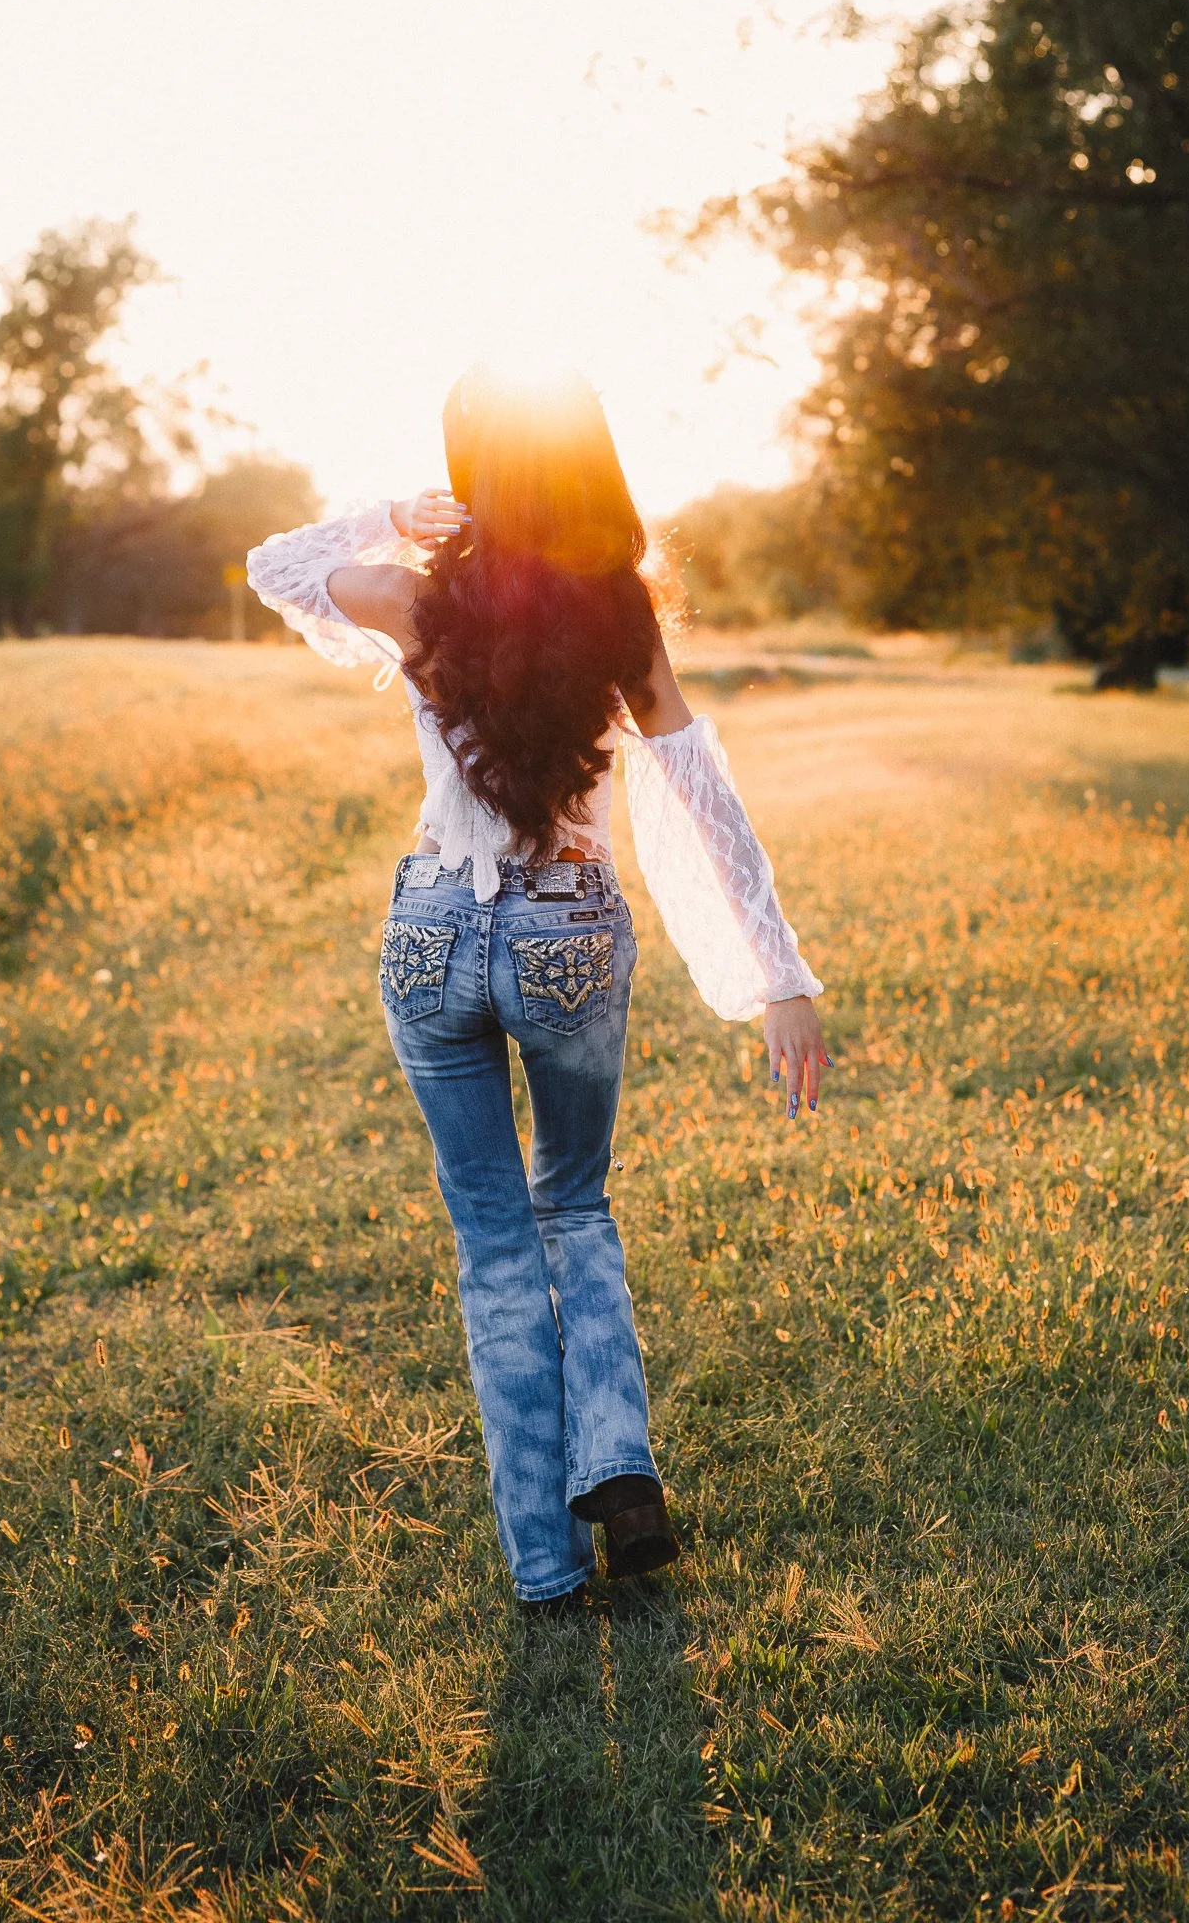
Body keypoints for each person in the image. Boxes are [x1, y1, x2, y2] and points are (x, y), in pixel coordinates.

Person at [247, 365, 829, 1614]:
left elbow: (276, 563)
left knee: (494, 1242)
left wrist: (396, 518)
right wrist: (777, 969)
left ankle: (541, 1562)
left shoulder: (416, 596)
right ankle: (616, 1462)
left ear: (472, 469)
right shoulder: (616, 607)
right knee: (574, 1203)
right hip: (566, 923)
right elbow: (698, 782)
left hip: (429, 925)